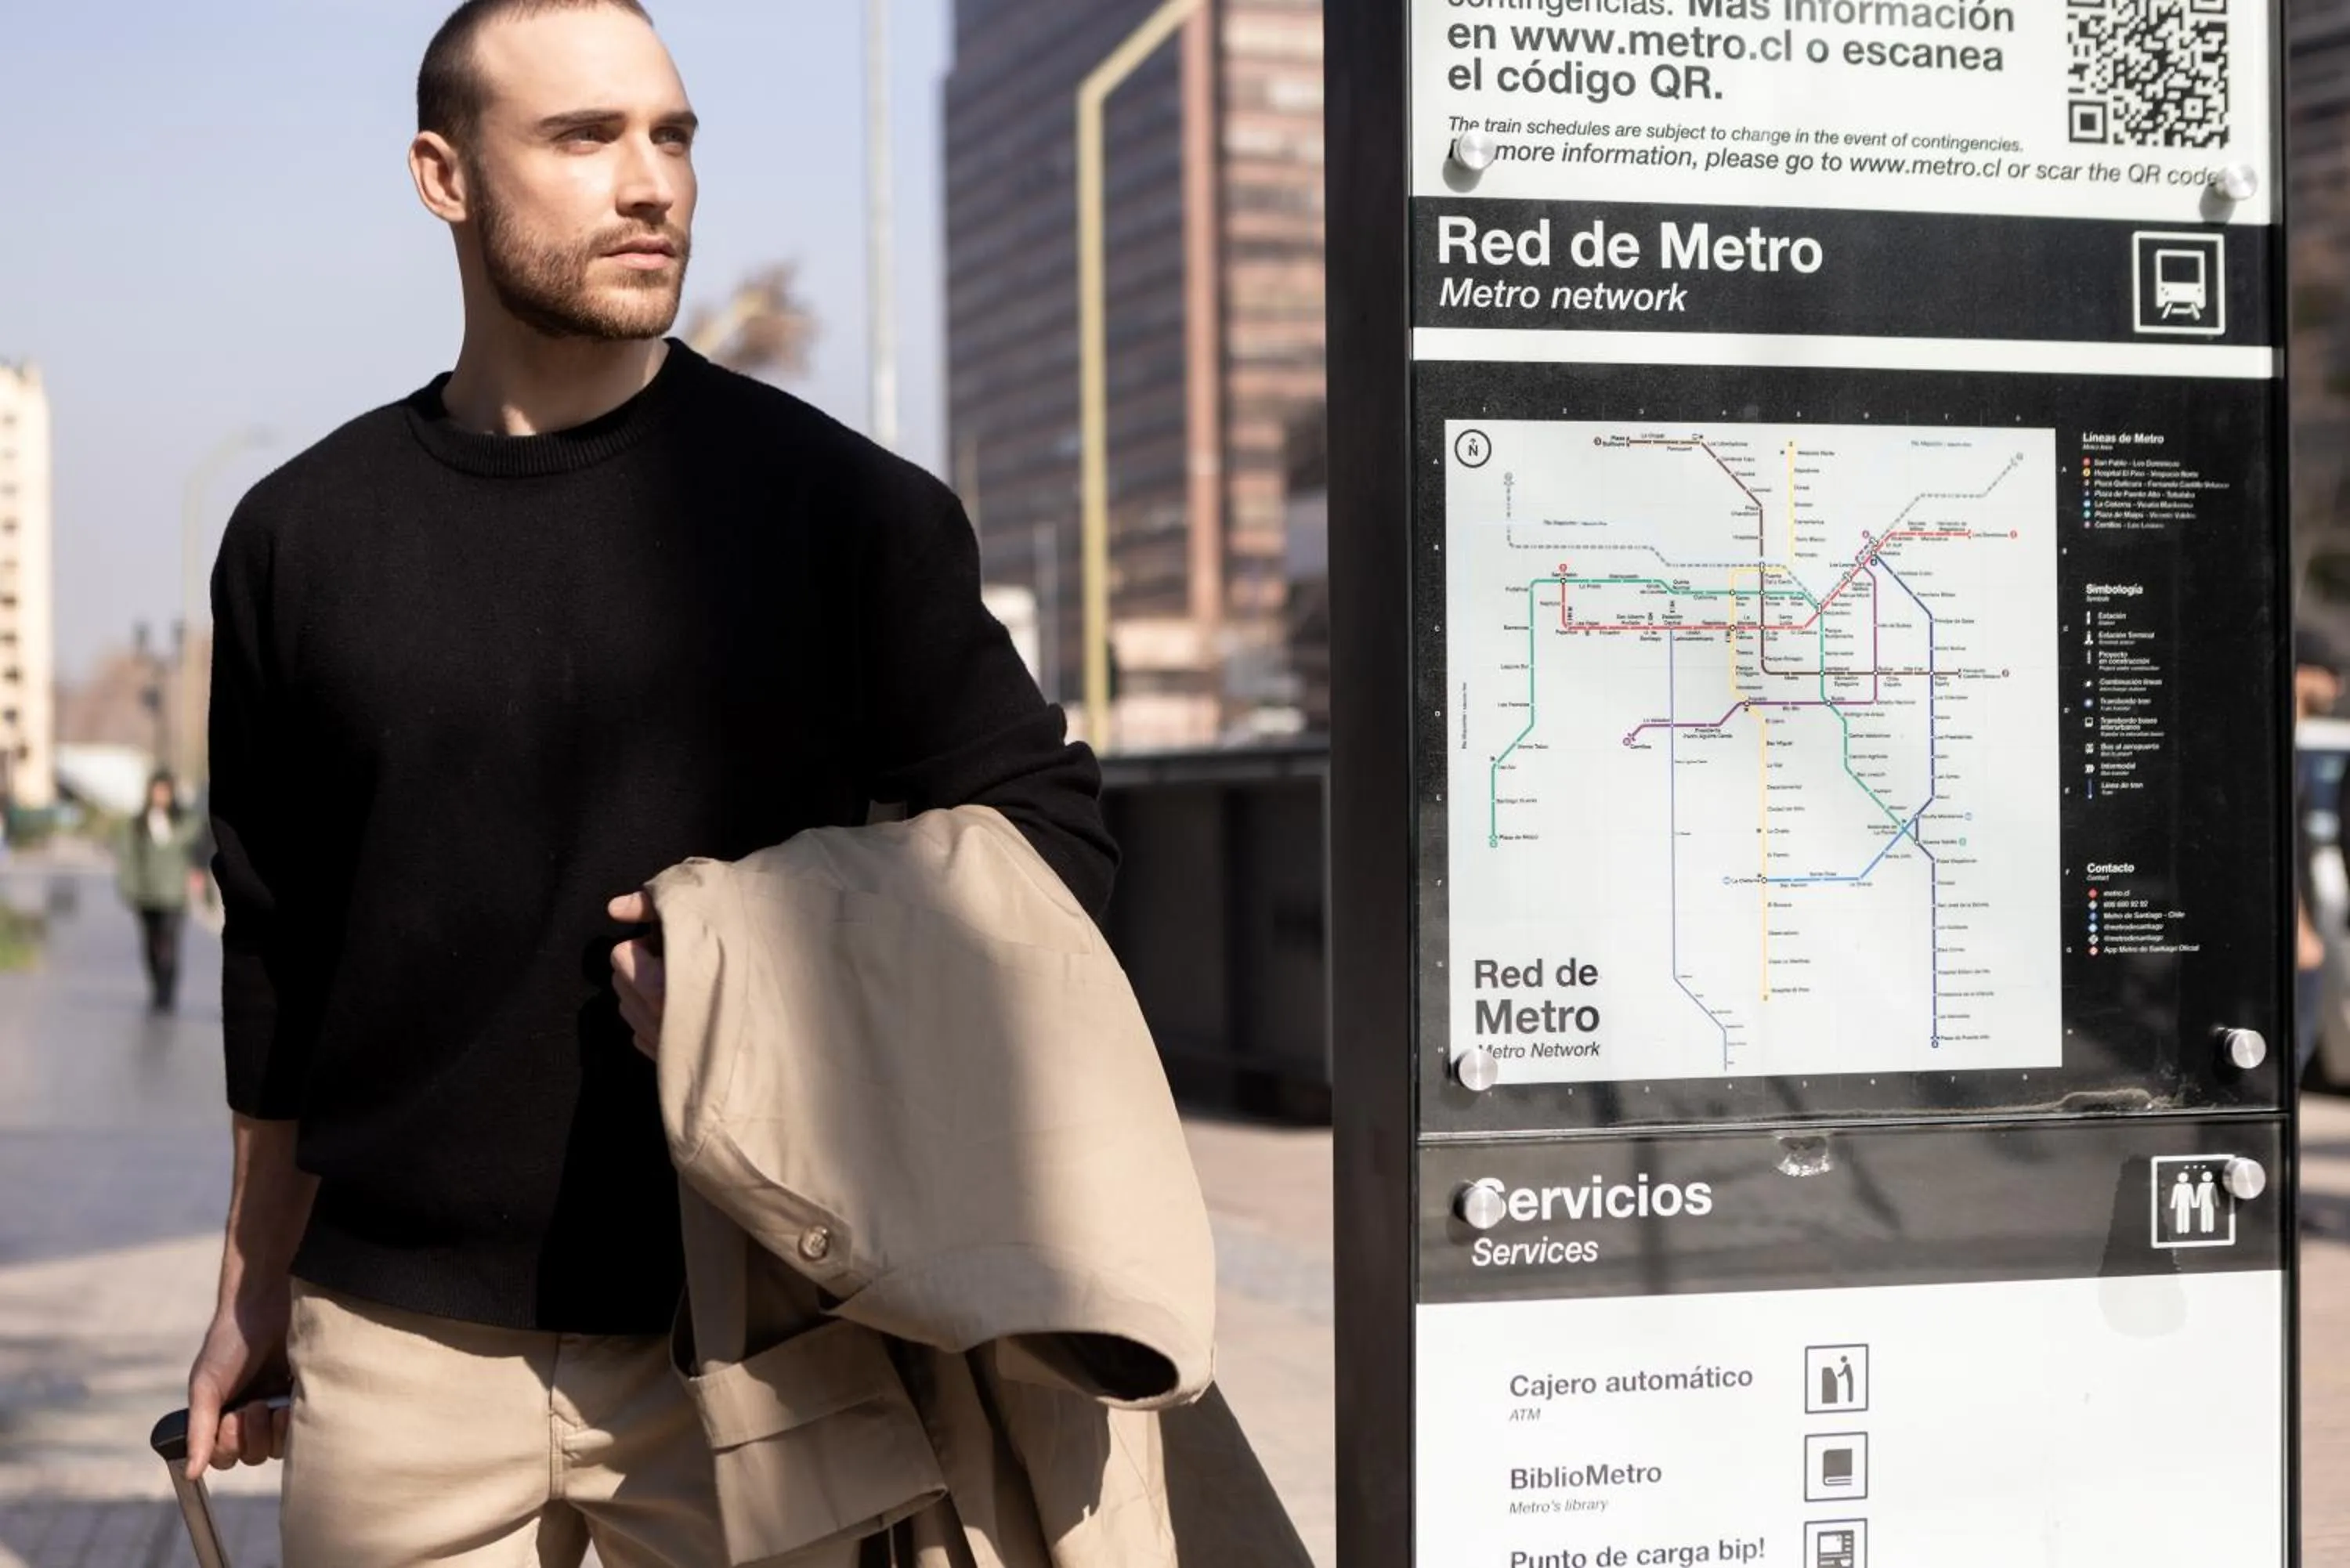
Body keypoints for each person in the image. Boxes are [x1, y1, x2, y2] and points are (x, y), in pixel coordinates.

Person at [183, 3, 1115, 1564]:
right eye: (583, 136)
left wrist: (780, 962)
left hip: (764, 1339)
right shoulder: (299, 537)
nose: (651, 182)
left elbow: (1057, 847)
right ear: (444, 174)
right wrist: (250, 1292)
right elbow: (276, 961)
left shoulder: (846, 516)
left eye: (672, 135)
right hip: (394, 1352)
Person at [115, 770, 208, 1013]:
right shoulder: (138, 824)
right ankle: (156, 987)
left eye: (165, 791)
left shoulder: (185, 821)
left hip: (174, 894)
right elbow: (128, 857)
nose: (160, 796)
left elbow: (197, 843)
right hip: (147, 893)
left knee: (170, 942)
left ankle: (167, 992)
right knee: (150, 943)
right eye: (157, 791)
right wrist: (129, 887)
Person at [2295, 625, 2344, 1083]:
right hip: (2294, 939)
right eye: (2331, 672)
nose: (2338, 686)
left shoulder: (2299, 747)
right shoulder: (2278, 753)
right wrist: (2301, 928)